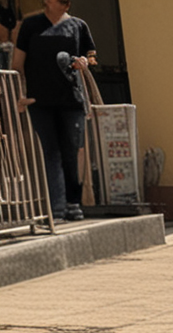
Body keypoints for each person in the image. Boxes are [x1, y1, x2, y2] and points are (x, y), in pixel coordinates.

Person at [12, 0, 97, 224]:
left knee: (72, 151)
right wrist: (20, 94)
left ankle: (74, 204)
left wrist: (85, 62)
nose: (65, 2)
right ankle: (57, 208)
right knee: (50, 152)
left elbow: (92, 56)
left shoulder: (79, 25)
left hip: (72, 100)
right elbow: (17, 64)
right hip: (40, 101)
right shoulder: (31, 25)